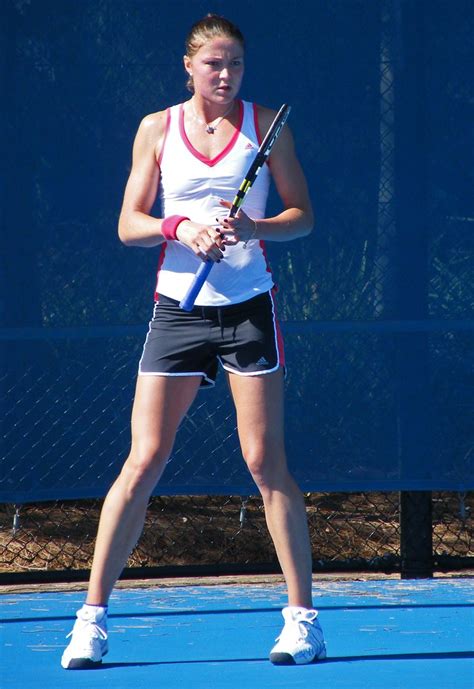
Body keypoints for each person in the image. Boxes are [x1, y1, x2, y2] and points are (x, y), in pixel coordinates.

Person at [61, 14, 326, 669]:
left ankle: (304, 621)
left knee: (266, 463)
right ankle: (90, 620)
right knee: (144, 460)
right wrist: (182, 227)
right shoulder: (157, 129)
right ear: (188, 66)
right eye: (214, 64)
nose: (226, 74)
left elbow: (303, 217)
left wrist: (254, 226)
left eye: (235, 63)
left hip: (247, 309)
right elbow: (130, 223)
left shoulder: (266, 127)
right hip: (178, 311)